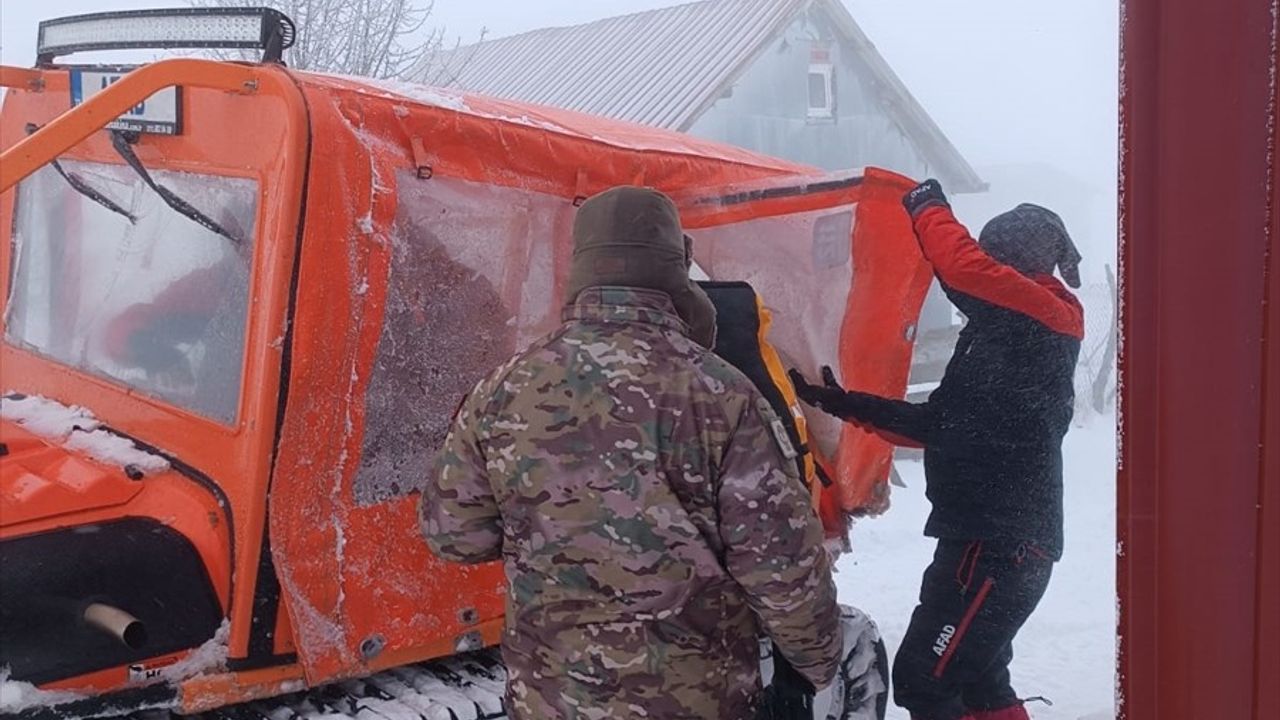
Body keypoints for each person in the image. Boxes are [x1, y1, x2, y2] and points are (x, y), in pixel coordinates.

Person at [421, 185, 841, 719]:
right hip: (692, 701)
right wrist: (815, 664)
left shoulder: (502, 389)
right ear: (675, 269)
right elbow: (782, 571)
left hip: (551, 699)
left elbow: (453, 535)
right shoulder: (722, 394)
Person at [789, 179, 1084, 720]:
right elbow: (936, 425)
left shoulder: (1045, 314)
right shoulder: (997, 339)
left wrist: (927, 204)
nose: (986, 270)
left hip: (1001, 544)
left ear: (1012, 262)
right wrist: (839, 403)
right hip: (986, 540)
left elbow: (962, 268)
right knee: (980, 682)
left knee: (925, 681)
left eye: (994, 258)